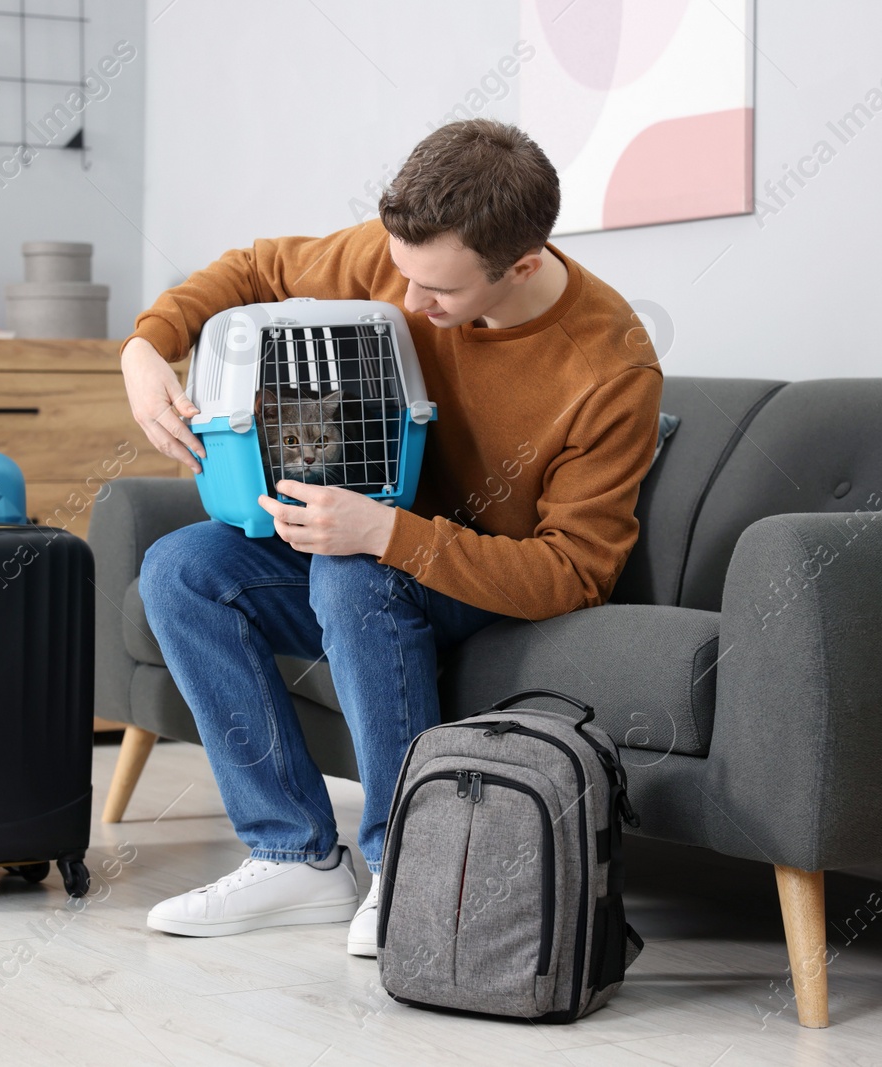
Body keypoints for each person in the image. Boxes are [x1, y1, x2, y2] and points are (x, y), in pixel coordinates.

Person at [120, 118, 661, 956]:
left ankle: (406, 865)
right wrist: (147, 346)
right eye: (404, 275)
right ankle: (294, 853)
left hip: (482, 583)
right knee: (180, 568)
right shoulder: (403, 255)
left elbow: (573, 573)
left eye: (437, 293)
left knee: (351, 573)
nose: (407, 303)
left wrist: (386, 533)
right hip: (371, 540)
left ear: (520, 266)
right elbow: (254, 267)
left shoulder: (610, 367)